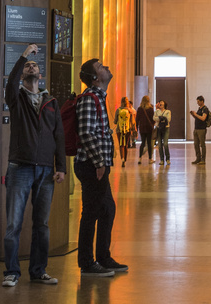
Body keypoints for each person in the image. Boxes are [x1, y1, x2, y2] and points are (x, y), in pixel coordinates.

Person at [2, 43, 65, 287]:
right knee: (13, 224)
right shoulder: (16, 98)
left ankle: (38, 271)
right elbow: (11, 82)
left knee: (42, 225)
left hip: (46, 170)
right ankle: (11, 272)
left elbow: (59, 135)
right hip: (20, 167)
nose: (31, 66)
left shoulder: (51, 101)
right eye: (28, 65)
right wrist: (23, 55)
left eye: (34, 65)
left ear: (40, 75)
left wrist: (61, 167)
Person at [74, 58, 129, 279]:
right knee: (91, 213)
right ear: (96, 78)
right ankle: (88, 263)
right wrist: (99, 162)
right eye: (101, 67)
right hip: (91, 165)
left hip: (98, 165)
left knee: (107, 210)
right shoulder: (89, 99)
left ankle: (103, 257)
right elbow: (86, 133)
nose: (106, 67)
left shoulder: (99, 97)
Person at [190, 95, 210, 164]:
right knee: (196, 144)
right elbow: (197, 118)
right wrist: (193, 114)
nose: (197, 103)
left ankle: (203, 159)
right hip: (196, 129)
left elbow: (203, 118)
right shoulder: (199, 109)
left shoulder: (205, 109)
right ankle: (198, 158)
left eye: (198, 101)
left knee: (202, 144)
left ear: (202, 101)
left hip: (202, 129)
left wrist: (196, 114)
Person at [136, 95, 155, 163]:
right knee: (149, 144)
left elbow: (137, 119)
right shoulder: (150, 109)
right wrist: (153, 124)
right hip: (149, 128)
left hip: (142, 128)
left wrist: (136, 128)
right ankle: (150, 159)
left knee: (143, 143)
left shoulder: (139, 109)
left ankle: (140, 158)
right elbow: (153, 119)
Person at [114, 96, 132, 167]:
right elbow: (132, 121)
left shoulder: (118, 110)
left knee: (121, 145)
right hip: (127, 129)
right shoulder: (129, 111)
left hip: (119, 130)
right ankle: (125, 159)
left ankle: (122, 159)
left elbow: (115, 121)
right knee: (126, 145)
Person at [154, 100, 171, 165]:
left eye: (162, 102)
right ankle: (161, 159)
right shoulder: (156, 111)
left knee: (165, 144)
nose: (160, 103)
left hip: (166, 128)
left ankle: (168, 159)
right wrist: (162, 118)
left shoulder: (168, 111)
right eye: (159, 102)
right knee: (160, 145)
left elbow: (168, 119)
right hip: (159, 128)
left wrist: (159, 118)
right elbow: (154, 118)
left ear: (164, 104)